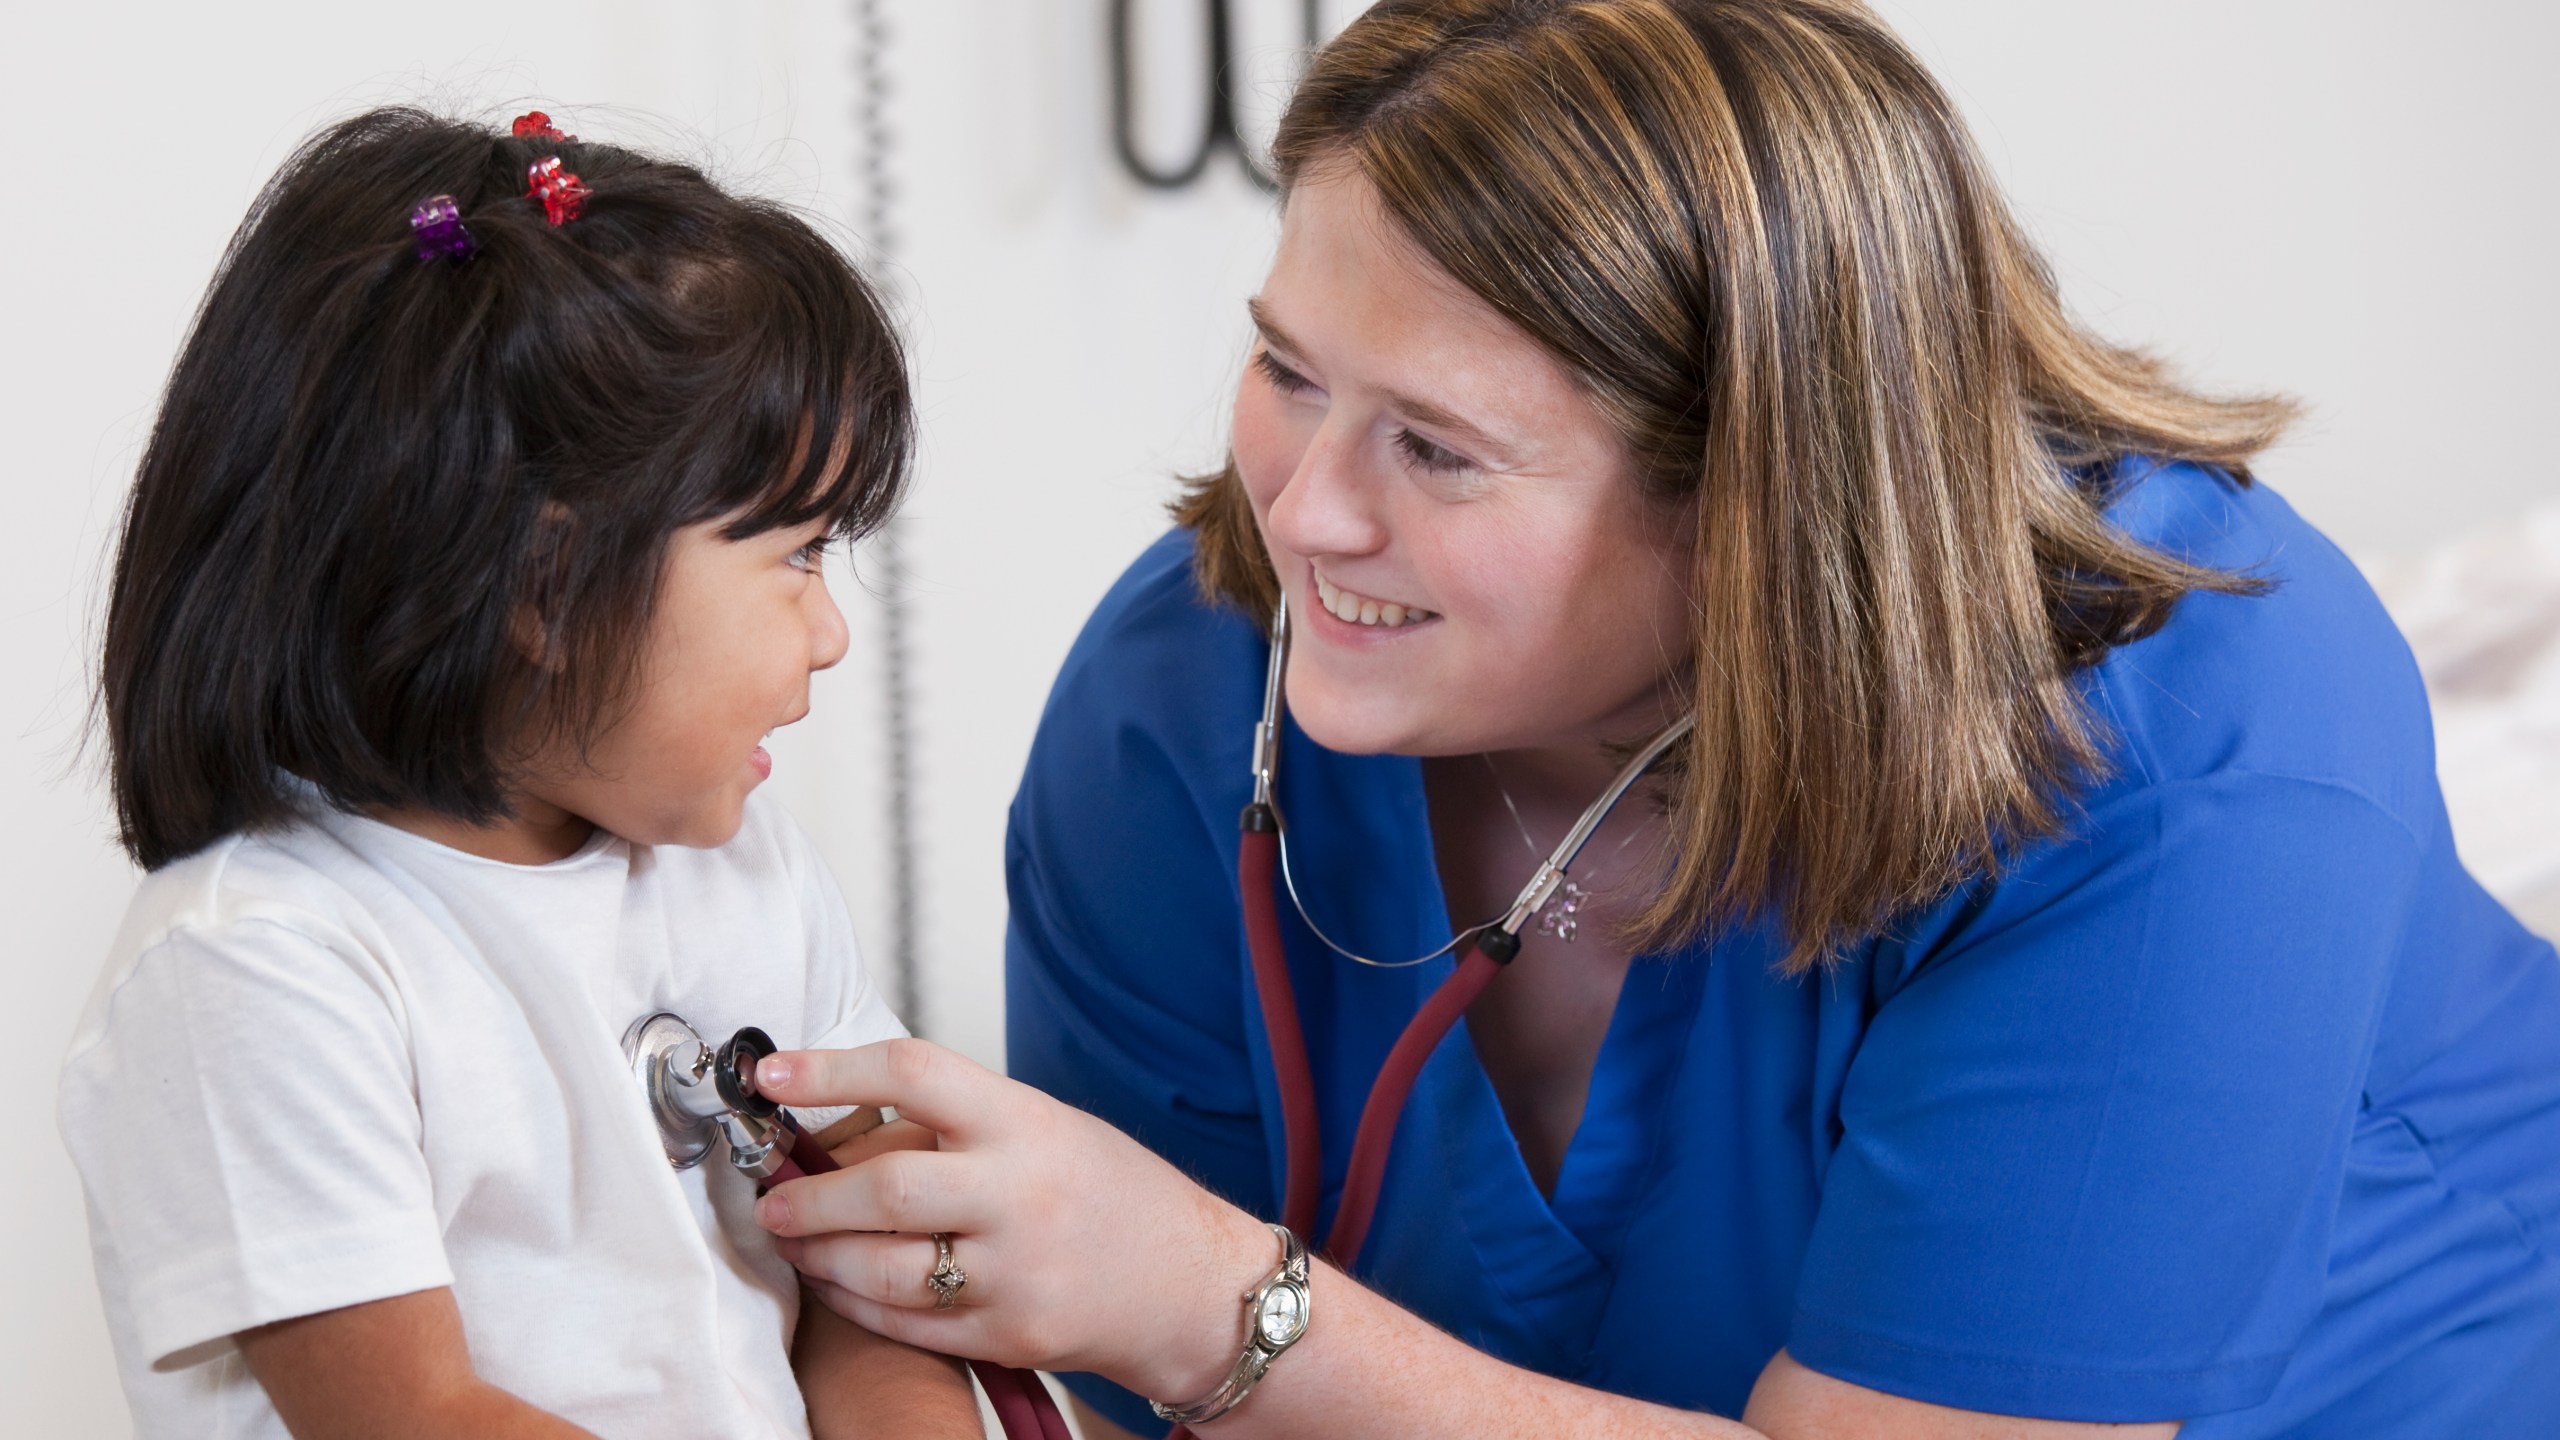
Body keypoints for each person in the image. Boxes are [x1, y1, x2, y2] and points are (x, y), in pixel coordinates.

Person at [750, 1, 2560, 1436]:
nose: (1305, 514)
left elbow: (1184, 1325)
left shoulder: (2189, 741)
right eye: (1291, 369)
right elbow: (1106, 1381)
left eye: (1438, 449)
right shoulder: (1194, 691)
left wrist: (1216, 1302)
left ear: (1764, 495)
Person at [58, 108, 980, 1439]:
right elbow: (419, 1416)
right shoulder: (259, 967)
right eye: (793, 555)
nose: (831, 634)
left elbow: (863, 1283)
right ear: (545, 581)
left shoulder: (746, 869)